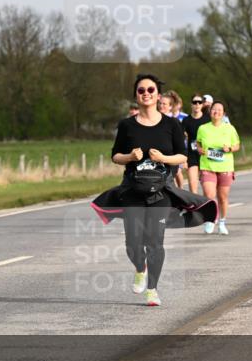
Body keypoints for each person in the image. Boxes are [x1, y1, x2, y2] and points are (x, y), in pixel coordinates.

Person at [91, 74, 217, 307]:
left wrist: (164, 158)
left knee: (155, 241)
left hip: (161, 191)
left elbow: (183, 156)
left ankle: (153, 289)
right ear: (136, 96)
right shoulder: (127, 125)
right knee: (133, 243)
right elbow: (115, 156)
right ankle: (140, 268)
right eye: (141, 90)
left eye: (150, 89)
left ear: (158, 95)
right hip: (133, 190)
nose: (146, 93)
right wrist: (129, 156)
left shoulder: (172, 125)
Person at [196, 100, 241, 235]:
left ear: (223, 113)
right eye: (214, 109)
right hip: (207, 165)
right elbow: (197, 143)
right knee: (209, 195)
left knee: (222, 197)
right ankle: (210, 220)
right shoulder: (203, 128)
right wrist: (199, 149)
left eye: (219, 110)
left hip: (225, 166)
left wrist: (230, 148)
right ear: (210, 112)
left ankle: (222, 222)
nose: (216, 112)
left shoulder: (229, 128)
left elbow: (237, 145)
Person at [181, 94, 208, 195]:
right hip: (191, 155)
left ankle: (206, 208)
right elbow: (181, 139)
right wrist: (184, 158)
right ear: (191, 104)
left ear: (202, 105)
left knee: (207, 189)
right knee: (193, 187)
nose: (197, 104)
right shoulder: (186, 120)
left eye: (199, 102)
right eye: (194, 102)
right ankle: (196, 209)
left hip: (205, 155)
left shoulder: (207, 119)